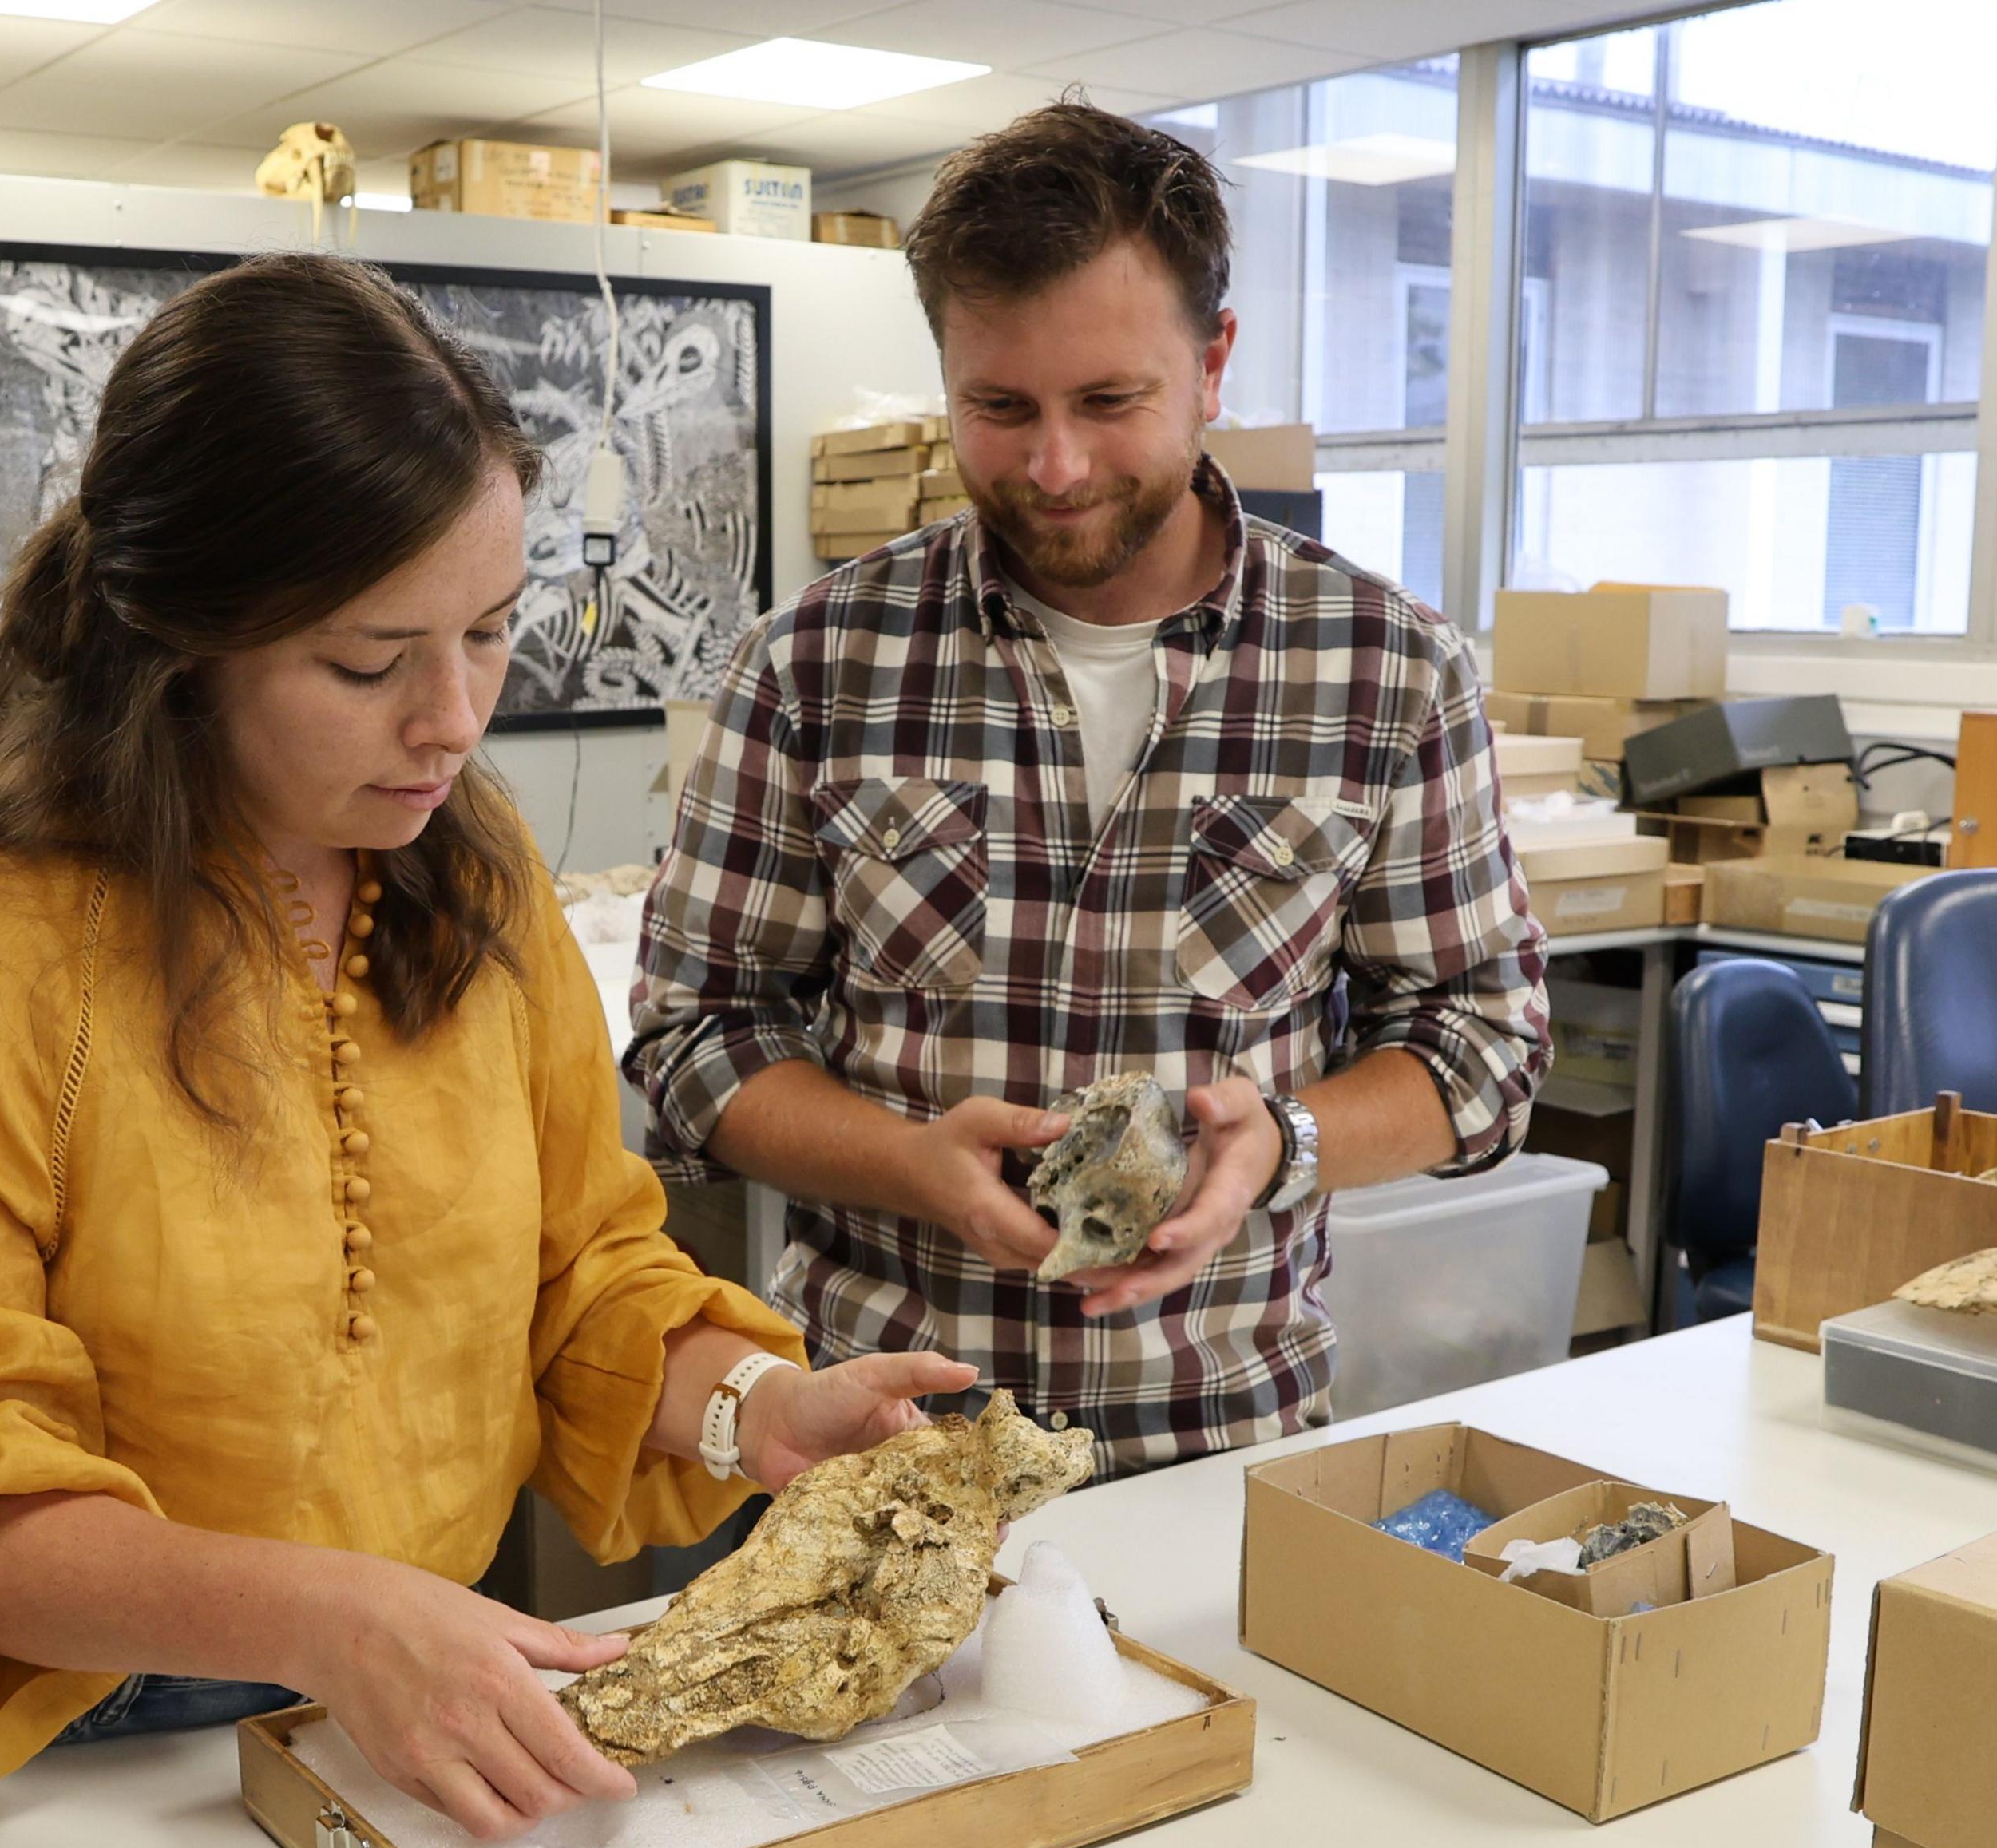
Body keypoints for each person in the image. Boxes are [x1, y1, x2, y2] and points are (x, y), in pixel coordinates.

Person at [0, 252, 975, 1848]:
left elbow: (580, 1272)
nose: (454, 717)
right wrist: (333, 1615)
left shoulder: (474, 870)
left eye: (493, 630)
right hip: (32, 1766)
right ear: (179, 641)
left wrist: (754, 1412)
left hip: (392, 1723)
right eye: (369, 659)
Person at [628, 104, 1552, 1478]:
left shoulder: (1390, 671)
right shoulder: (817, 661)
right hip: (883, 1449)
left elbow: (1484, 1043)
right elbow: (697, 1036)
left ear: (1213, 361)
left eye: (1109, 402)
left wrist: (1283, 1143)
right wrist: (909, 1162)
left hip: (1225, 1445)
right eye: (998, 408)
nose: (1053, 470)